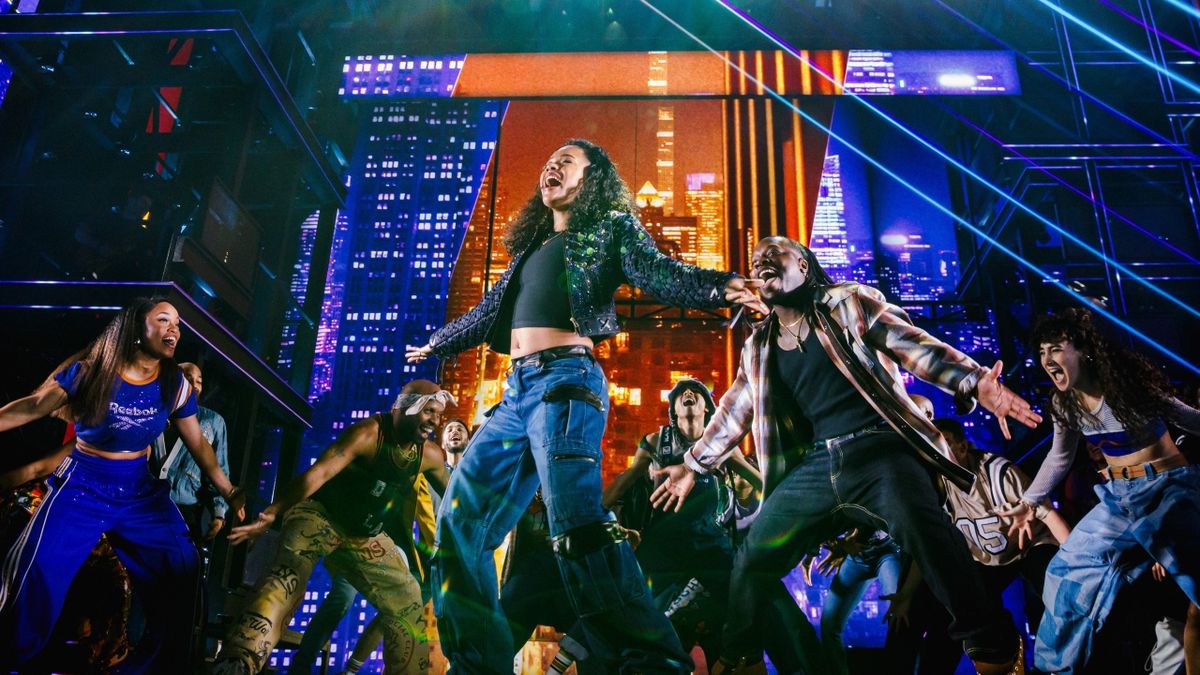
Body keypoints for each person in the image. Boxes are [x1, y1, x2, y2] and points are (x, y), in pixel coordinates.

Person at [406, 138, 764, 673]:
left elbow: (659, 272)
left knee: (577, 528)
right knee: (459, 520)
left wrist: (724, 286)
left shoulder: (610, 228)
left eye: (565, 162)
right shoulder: (530, 248)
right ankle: (478, 665)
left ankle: (653, 661)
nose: (550, 166)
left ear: (590, 180)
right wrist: (438, 342)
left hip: (565, 384)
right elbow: (486, 313)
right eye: (548, 161)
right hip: (516, 394)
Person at [650, 236, 1042, 674]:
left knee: (924, 527)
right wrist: (692, 464)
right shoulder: (758, 345)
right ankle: (741, 655)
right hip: (817, 466)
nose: (760, 261)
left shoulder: (847, 303)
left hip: (879, 449)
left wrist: (972, 381)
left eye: (773, 253)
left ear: (803, 264)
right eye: (756, 259)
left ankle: (993, 646)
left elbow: (912, 345)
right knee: (754, 554)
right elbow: (734, 409)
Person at [0, 297, 244, 671]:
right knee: (37, 572)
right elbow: (33, 406)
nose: (174, 328)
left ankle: (156, 666)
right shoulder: (91, 372)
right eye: (163, 319)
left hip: (138, 493)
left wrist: (229, 490)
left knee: (183, 564)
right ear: (136, 329)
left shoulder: (174, 384)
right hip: (84, 485)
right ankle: (10, 656)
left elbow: (198, 443)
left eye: (177, 323)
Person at [998, 308, 1200, 673]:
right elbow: (1059, 457)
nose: (1047, 359)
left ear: (1084, 352)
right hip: (1119, 500)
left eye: (1055, 349)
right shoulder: (1064, 404)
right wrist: (1029, 502)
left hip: (1167, 491)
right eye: (1042, 352)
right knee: (1064, 573)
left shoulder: (1128, 388)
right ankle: (1053, 670)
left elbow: (1188, 418)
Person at [214, 380, 452, 675]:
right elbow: (320, 472)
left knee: (407, 596)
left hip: (363, 535)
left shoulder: (429, 455)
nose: (435, 421)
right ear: (403, 408)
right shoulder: (368, 434)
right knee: (287, 576)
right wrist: (273, 512)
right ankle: (239, 660)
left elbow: (458, 494)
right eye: (429, 411)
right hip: (320, 516)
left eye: (439, 414)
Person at [603, 377, 759, 667]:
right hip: (662, 542)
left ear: (707, 408)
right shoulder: (655, 441)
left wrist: (794, 504)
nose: (688, 392)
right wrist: (595, 514)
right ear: (673, 410)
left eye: (696, 391)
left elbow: (759, 480)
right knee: (630, 606)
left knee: (743, 598)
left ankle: (739, 656)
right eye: (681, 393)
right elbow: (626, 480)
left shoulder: (721, 443)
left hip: (709, 542)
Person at [152, 361, 231, 542]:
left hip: (184, 512)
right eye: (188, 378)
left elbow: (219, 468)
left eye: (199, 381)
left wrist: (219, 513)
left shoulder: (212, 421)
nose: (195, 385)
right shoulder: (153, 410)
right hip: (142, 500)